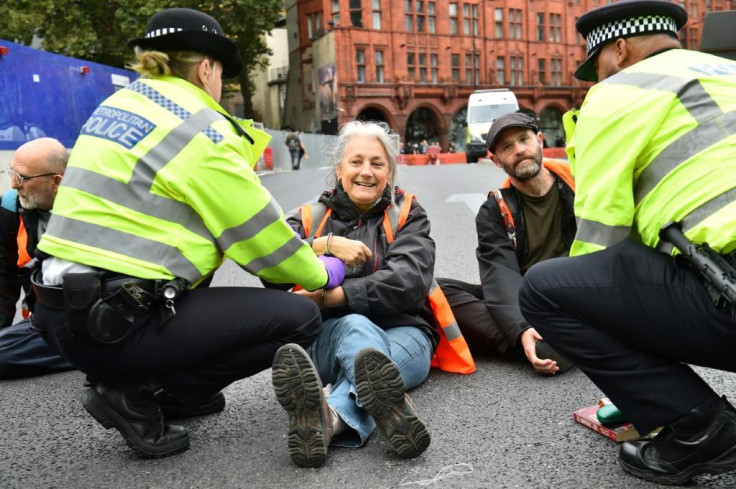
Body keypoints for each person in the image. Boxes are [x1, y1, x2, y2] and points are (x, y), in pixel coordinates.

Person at [30, 7, 345, 459]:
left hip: (56, 307)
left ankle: (164, 389)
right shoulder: (201, 129)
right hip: (111, 325)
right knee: (298, 319)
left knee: (201, 268)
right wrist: (322, 273)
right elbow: (263, 242)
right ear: (206, 68)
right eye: (221, 76)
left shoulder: (119, 105)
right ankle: (142, 393)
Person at [518, 0, 736, 484]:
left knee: (543, 290)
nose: (595, 79)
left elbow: (604, 242)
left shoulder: (616, 93)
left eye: (595, 66)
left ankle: (702, 427)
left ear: (618, 50)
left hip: (731, 299)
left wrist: (617, 370)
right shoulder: (727, 70)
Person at [270, 121, 473, 467]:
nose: (366, 172)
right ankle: (383, 405)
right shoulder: (309, 217)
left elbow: (408, 282)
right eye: (356, 162)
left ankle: (329, 419)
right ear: (338, 169)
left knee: (369, 353)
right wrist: (324, 244)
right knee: (354, 329)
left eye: (377, 164)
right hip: (329, 338)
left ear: (390, 171)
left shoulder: (408, 213)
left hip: (406, 333)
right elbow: (270, 266)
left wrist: (332, 297)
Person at [438, 112, 575, 376]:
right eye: (507, 147)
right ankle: (531, 341)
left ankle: (536, 343)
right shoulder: (494, 210)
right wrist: (521, 327)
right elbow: (500, 274)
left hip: (578, 294)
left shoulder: (577, 186)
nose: (519, 150)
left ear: (540, 140)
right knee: (434, 291)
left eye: (524, 139)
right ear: (495, 160)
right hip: (527, 299)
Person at [0, 138, 73, 378]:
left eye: (22, 178)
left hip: (86, 320)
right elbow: (3, 278)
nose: (13, 184)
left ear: (56, 182)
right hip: (42, 321)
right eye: (13, 173)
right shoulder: (11, 207)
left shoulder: (93, 211)